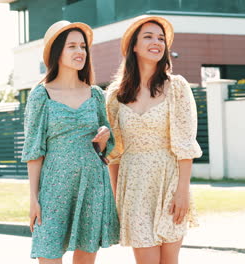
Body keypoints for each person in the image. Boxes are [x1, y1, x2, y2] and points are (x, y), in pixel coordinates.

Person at [106, 15, 202, 264]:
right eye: (148, 37)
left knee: (169, 261)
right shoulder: (116, 95)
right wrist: (118, 200)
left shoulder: (177, 88)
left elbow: (185, 145)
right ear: (134, 46)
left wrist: (183, 192)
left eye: (161, 38)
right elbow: (114, 153)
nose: (156, 42)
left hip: (169, 181)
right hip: (134, 186)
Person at [21, 20, 119, 264]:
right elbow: (34, 151)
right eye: (72, 46)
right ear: (56, 52)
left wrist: (104, 138)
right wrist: (33, 198)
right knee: (49, 253)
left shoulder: (96, 94)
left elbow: (107, 148)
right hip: (54, 188)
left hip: (93, 184)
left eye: (83, 47)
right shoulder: (40, 95)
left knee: (86, 257)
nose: (80, 52)